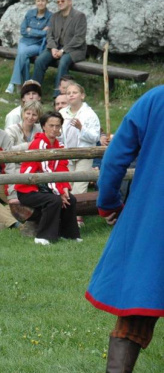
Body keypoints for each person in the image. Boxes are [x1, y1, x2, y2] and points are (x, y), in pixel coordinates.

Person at [85, 86, 164, 373]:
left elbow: (116, 156)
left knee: (137, 309)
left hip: (153, 225)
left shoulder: (156, 100)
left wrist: (108, 203)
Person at [15, 111, 81, 245]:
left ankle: (69, 235)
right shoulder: (39, 144)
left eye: (58, 126)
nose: (55, 129)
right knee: (54, 200)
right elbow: (47, 171)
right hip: (27, 190)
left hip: (46, 187)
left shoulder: (59, 146)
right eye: (51, 125)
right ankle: (44, 237)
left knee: (70, 199)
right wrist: (59, 192)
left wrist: (65, 189)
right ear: (43, 126)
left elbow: (62, 169)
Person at [59, 82, 100, 227]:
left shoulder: (89, 114)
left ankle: (78, 216)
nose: (71, 95)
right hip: (67, 154)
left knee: (80, 185)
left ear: (82, 95)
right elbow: (59, 134)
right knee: (66, 185)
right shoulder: (63, 113)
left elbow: (95, 137)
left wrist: (81, 128)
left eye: (74, 92)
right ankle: (65, 215)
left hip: (84, 153)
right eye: (68, 93)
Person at [33, 0, 87, 97]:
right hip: (56, 48)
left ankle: (58, 95)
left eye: (63, 1)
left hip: (74, 49)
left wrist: (63, 51)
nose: (60, 3)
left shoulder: (79, 16)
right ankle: (34, 93)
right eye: (58, 2)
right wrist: (53, 48)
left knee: (63, 62)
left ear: (70, 2)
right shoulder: (55, 16)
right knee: (39, 60)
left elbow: (79, 38)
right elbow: (49, 35)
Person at [5, 0, 52, 94]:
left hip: (37, 45)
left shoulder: (50, 16)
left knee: (22, 54)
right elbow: (23, 30)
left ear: (46, 2)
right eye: (38, 1)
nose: (40, 3)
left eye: (43, 0)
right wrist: (39, 32)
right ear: (35, 2)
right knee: (24, 60)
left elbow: (46, 34)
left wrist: (31, 31)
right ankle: (25, 85)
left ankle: (13, 83)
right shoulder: (30, 13)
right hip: (24, 42)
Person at [4, 100, 43, 203]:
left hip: (34, 165)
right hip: (15, 165)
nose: (30, 117)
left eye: (34, 114)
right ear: (23, 113)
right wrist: (29, 145)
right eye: (28, 113)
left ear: (38, 116)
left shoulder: (39, 130)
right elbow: (8, 151)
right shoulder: (11, 130)